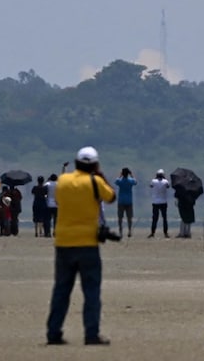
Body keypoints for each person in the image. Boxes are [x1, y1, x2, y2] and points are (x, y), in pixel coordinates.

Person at [46, 146, 116, 346]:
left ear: (76, 163)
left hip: (64, 243)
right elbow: (111, 197)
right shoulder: (96, 182)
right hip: (88, 244)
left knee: (61, 290)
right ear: (95, 164)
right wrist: (100, 176)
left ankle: (53, 332)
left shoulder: (63, 181)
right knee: (91, 292)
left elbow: (59, 200)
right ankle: (91, 334)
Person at [113, 168, 137, 238]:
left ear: (123, 173)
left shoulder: (120, 181)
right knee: (129, 218)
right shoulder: (130, 181)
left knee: (120, 218)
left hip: (121, 201)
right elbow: (135, 182)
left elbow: (116, 181)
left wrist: (120, 175)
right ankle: (129, 231)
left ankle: (120, 232)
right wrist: (131, 175)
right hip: (129, 201)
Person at [148, 169, 170, 238]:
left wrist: (155, 178)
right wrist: (165, 178)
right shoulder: (165, 181)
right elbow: (168, 186)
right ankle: (165, 233)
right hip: (163, 202)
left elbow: (151, 186)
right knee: (164, 218)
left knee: (155, 218)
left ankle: (152, 232)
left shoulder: (153, 181)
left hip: (155, 202)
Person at [45, 173, 59, 238]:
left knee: (48, 219)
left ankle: (48, 232)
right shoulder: (58, 184)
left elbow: (44, 193)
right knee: (56, 220)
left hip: (48, 203)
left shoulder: (47, 184)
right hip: (56, 204)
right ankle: (55, 232)